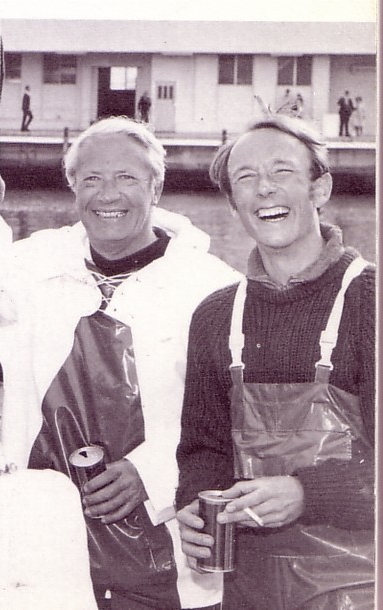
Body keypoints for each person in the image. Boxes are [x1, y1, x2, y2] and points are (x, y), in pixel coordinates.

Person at [0, 116, 240, 609]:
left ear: (156, 186)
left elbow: (232, 415)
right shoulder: (35, 261)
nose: (108, 194)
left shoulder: (213, 286)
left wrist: (151, 474)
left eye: (127, 177)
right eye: (91, 178)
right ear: (71, 186)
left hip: (162, 545)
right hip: (45, 540)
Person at [175, 115, 375, 610]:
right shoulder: (215, 315)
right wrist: (196, 509)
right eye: (245, 178)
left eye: (282, 171)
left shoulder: (371, 302)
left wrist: (308, 493)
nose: (264, 189)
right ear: (234, 204)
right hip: (248, 589)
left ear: (320, 187)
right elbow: (203, 448)